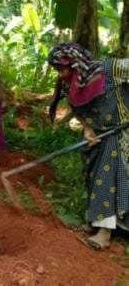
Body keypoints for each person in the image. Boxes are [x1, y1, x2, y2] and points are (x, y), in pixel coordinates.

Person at [48, 43, 129, 250]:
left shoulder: (110, 69)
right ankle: (96, 221)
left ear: (75, 64)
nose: (61, 74)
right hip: (98, 134)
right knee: (94, 178)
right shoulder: (70, 84)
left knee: (107, 177)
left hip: (121, 133)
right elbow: (78, 110)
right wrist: (87, 129)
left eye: (62, 69)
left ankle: (105, 233)